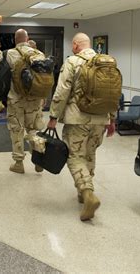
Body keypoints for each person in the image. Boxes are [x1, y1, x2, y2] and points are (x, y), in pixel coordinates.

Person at [46, 32, 115, 222]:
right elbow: (113, 94)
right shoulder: (106, 62)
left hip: (77, 118)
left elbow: (62, 91)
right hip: (101, 119)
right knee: (90, 153)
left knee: (74, 156)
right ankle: (82, 190)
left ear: (76, 45)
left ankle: (87, 193)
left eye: (72, 45)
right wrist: (112, 119)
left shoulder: (73, 62)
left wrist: (53, 116)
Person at [0, 29, 45, 174]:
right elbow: (44, 78)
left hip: (16, 100)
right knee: (33, 130)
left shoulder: (8, 53)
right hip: (35, 101)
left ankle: (19, 163)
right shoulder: (39, 54)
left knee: (17, 130)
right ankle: (39, 159)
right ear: (28, 39)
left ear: (15, 40)